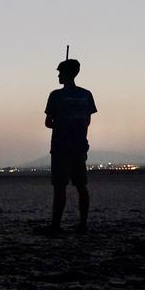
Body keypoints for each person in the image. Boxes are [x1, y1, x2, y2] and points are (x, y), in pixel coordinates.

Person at [38, 58, 97, 235]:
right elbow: (87, 121)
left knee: (59, 187)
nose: (58, 76)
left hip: (61, 147)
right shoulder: (86, 95)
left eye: (59, 73)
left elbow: (48, 122)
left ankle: (56, 226)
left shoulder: (55, 95)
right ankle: (83, 225)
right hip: (79, 146)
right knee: (81, 186)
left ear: (66, 73)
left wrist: (61, 123)